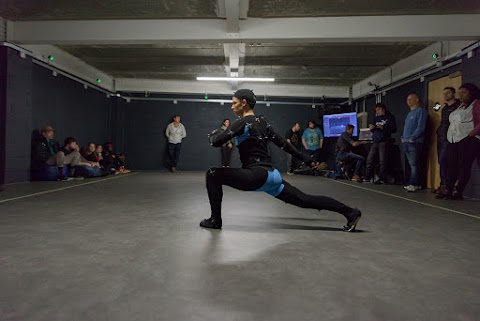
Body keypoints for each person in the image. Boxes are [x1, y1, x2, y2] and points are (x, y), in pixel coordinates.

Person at [199, 89, 362, 232]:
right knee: (305, 200)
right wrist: (306, 159)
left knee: (212, 174)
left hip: (255, 176)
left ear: (244, 103)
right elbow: (284, 144)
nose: (232, 106)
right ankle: (350, 212)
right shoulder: (263, 124)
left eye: (234, 103)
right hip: (272, 176)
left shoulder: (241, 122)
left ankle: (215, 220)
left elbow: (216, 142)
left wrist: (212, 134)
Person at [437, 83, 479, 200]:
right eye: (459, 93)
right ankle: (448, 189)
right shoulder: (460, 106)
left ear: (471, 93)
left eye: (464, 92)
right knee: (451, 165)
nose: (461, 95)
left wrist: (472, 133)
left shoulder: (475, 105)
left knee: (464, 166)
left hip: (467, 139)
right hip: (453, 139)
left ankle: (459, 191)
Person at [434, 87, 461, 194]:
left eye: (448, 93)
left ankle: (449, 185)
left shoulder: (458, 107)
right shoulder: (444, 109)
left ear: (453, 94)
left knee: (445, 160)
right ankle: (443, 184)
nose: (445, 95)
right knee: (441, 162)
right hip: (441, 137)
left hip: (450, 139)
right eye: (444, 93)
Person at [363, 103, 397, 184]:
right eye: (376, 110)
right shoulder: (376, 118)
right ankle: (367, 177)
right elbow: (374, 129)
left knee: (383, 161)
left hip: (384, 141)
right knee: (370, 159)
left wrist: (384, 128)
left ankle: (382, 179)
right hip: (375, 141)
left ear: (383, 109)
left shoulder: (390, 117)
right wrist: (372, 128)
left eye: (378, 110)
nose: (377, 112)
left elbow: (394, 129)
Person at [401, 94, 428, 192]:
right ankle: (415, 183)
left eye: (411, 99)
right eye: (407, 99)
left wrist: (412, 138)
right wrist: (403, 137)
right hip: (407, 142)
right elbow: (406, 128)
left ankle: (414, 184)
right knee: (411, 164)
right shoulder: (409, 113)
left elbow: (421, 127)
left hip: (415, 142)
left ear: (417, 100)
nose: (408, 101)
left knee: (414, 164)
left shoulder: (421, 111)